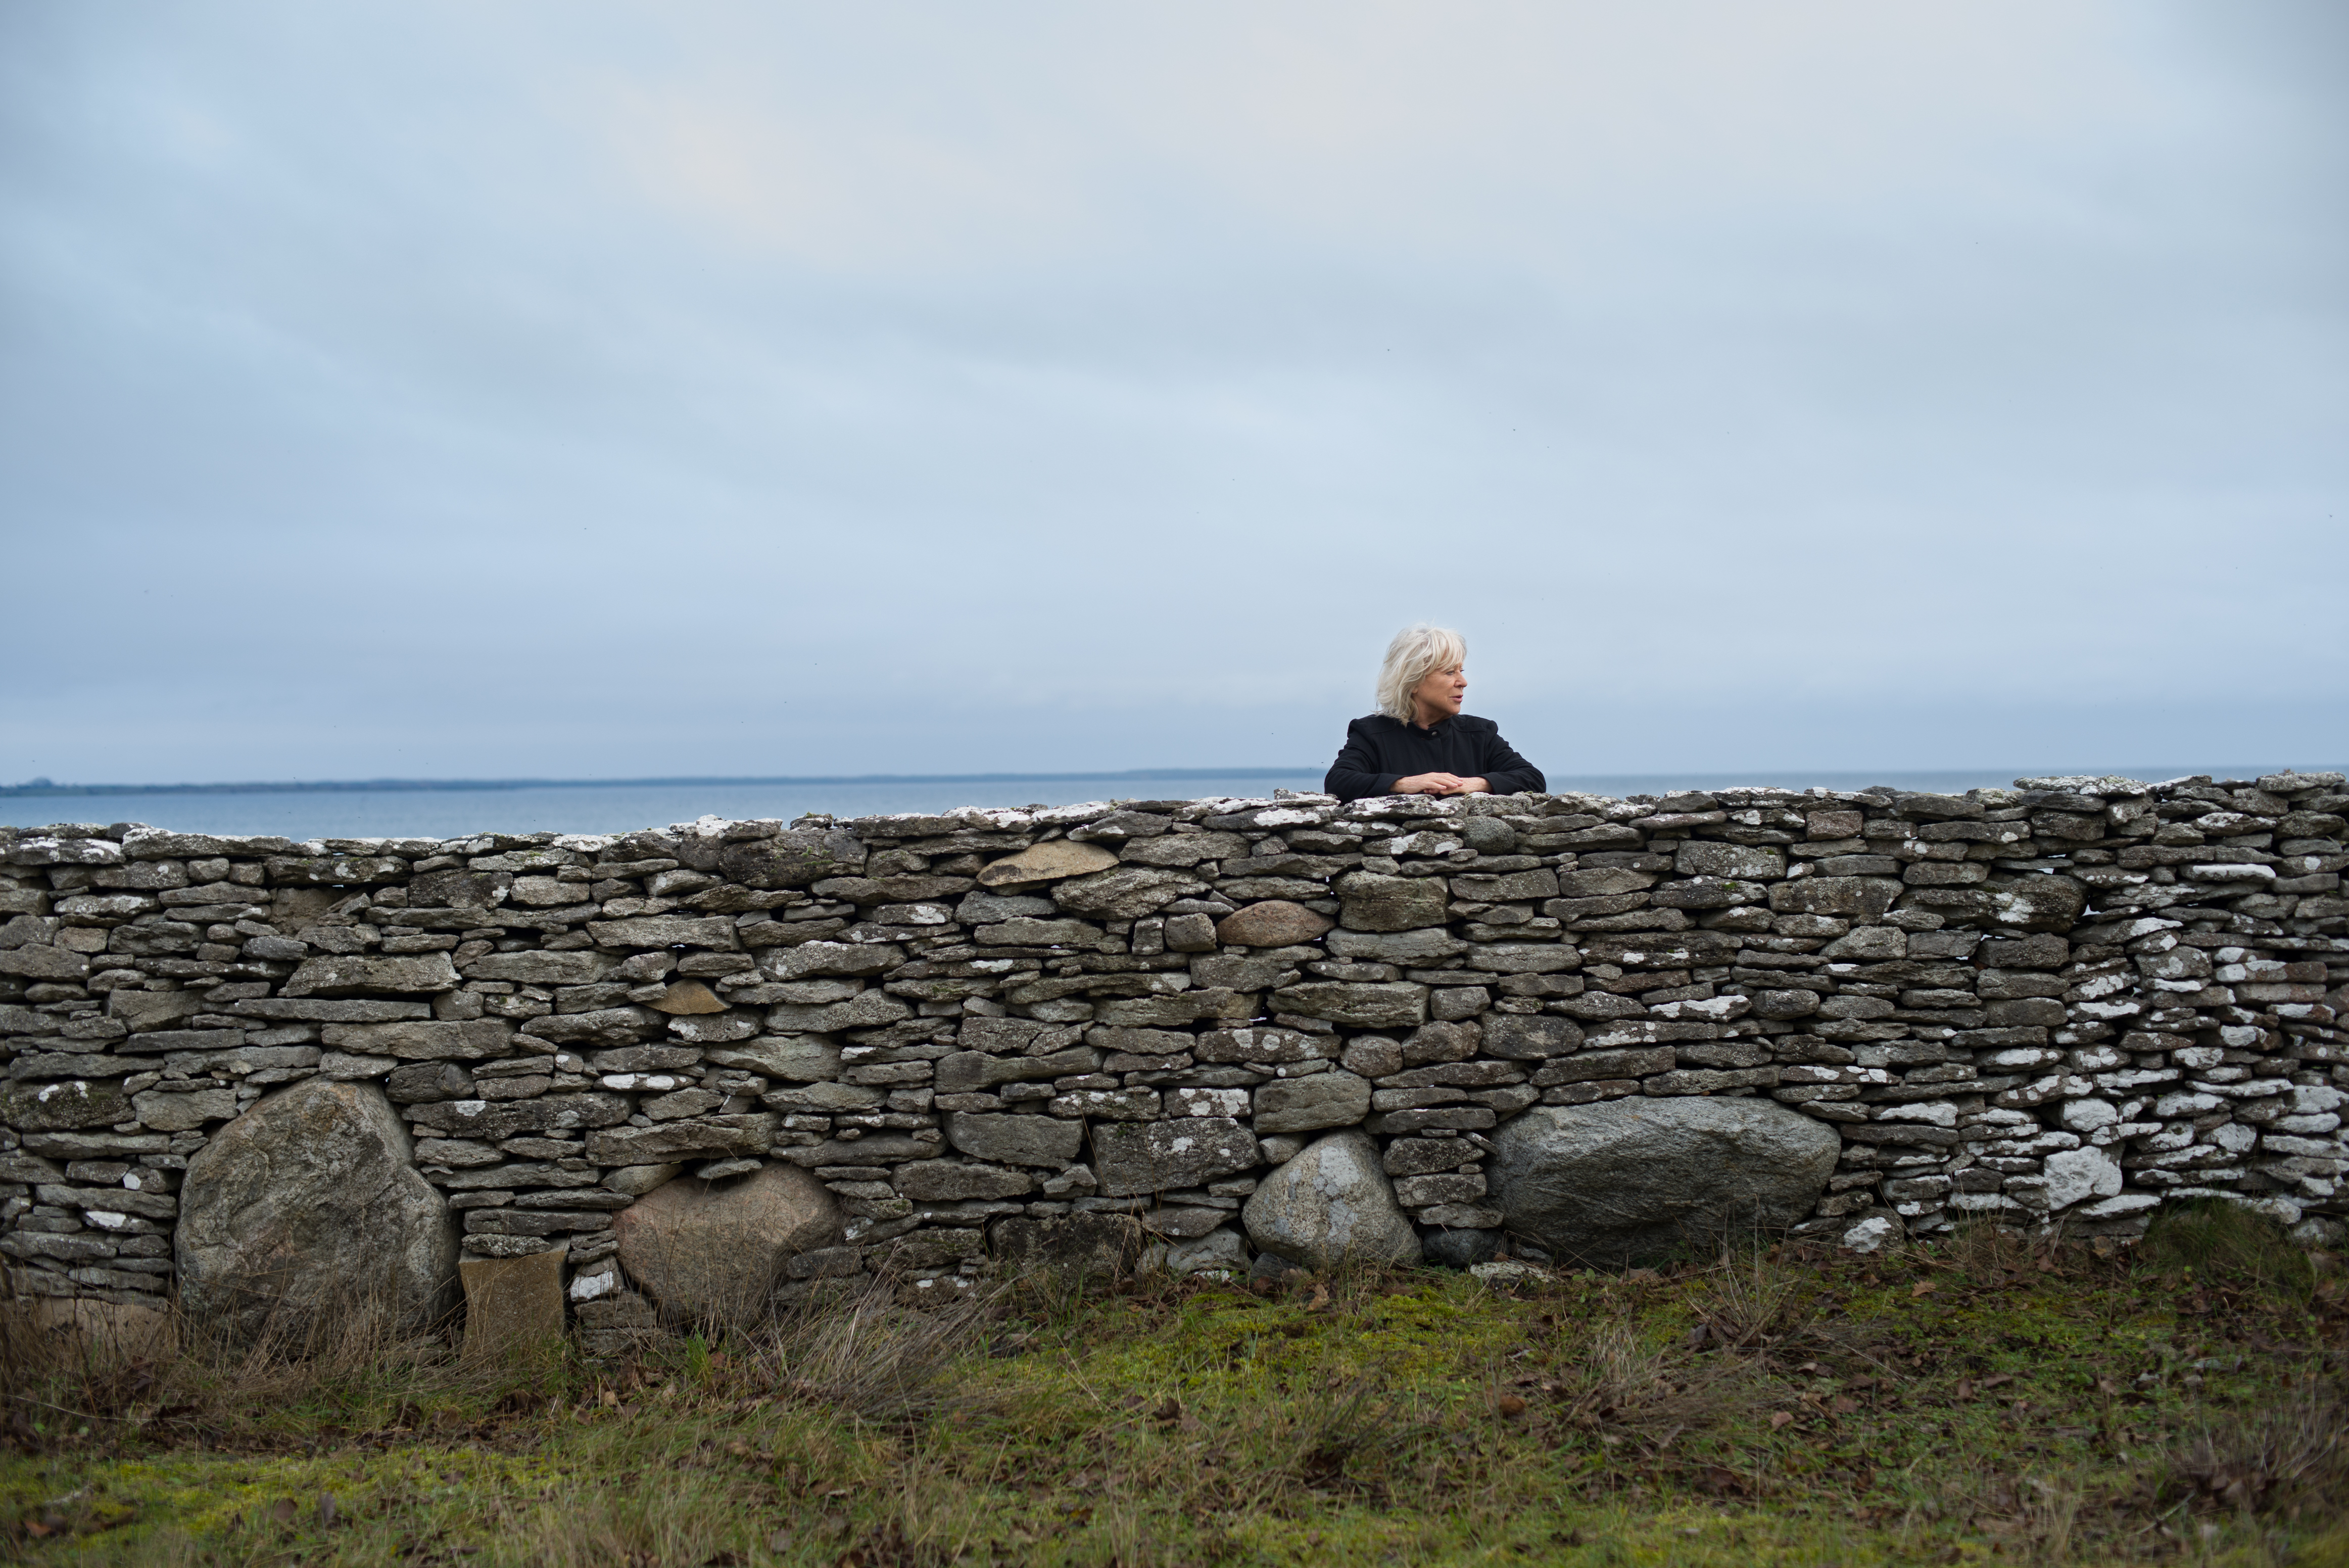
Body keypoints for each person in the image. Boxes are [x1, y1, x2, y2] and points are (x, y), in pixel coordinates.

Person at [1324, 625, 1546, 802]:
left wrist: (1474, 784)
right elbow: (1339, 782)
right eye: (1450, 672)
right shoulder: (1372, 733)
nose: (1463, 682)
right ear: (1413, 681)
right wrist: (1404, 784)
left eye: (1461, 671)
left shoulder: (1480, 733)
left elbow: (1532, 779)